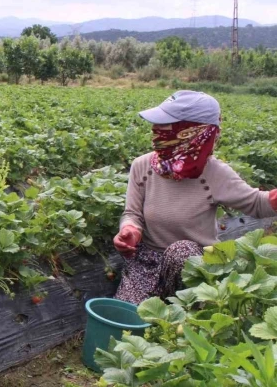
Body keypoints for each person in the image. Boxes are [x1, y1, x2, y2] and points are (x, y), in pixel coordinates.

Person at [113, 90, 277, 305]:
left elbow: (257, 203)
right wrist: (130, 230)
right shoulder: (142, 166)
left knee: (180, 252)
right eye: (157, 125)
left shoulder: (215, 174)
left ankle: (186, 309)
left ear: (193, 132)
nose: (157, 131)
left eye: (166, 126)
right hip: (147, 261)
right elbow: (132, 213)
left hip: (194, 264)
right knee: (128, 317)